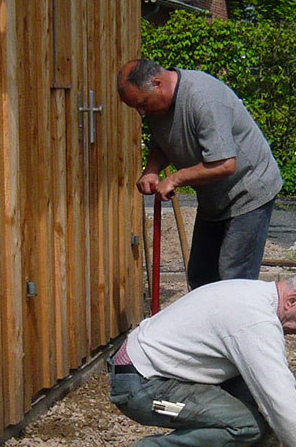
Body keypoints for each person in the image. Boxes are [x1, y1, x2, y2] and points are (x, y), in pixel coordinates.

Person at [106, 273, 296, 447]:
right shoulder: (254, 320)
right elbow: (280, 398)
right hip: (142, 388)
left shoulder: (252, 293)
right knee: (246, 425)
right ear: (292, 301)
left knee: (255, 398)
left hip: (152, 368)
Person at [117, 59, 283, 289]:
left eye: (142, 104)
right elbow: (160, 145)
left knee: (233, 278)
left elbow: (225, 164)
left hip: (248, 191)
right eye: (135, 107)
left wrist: (175, 178)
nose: (141, 112)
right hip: (214, 197)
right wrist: (151, 170)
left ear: (158, 83)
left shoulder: (204, 99)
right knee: (201, 276)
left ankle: (236, 324)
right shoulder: (158, 107)